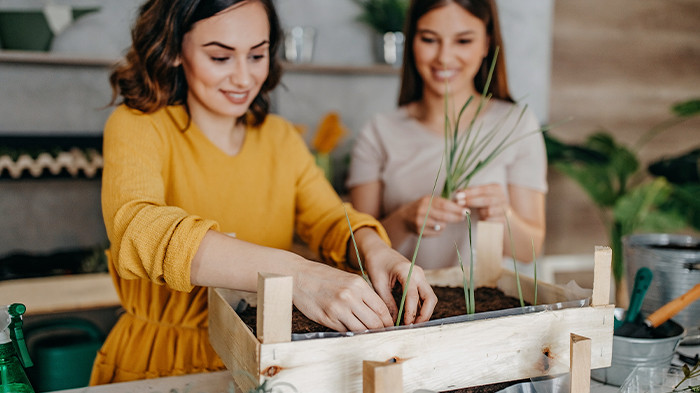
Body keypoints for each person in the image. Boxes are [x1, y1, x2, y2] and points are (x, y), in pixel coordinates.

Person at [92, 0, 437, 384]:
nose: (243, 78)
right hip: (163, 360)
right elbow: (138, 228)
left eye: (256, 55)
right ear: (173, 50)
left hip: (266, 360)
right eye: (220, 57)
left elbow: (329, 218)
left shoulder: (279, 138)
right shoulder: (138, 125)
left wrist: (375, 249)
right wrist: (298, 275)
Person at [347, 0, 547, 270]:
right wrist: (405, 219)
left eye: (463, 41)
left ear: (486, 43)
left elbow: (530, 251)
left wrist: (504, 215)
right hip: (402, 305)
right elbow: (355, 251)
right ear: (412, 42)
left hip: (490, 307)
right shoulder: (379, 132)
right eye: (429, 39)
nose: (444, 57)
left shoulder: (516, 124)